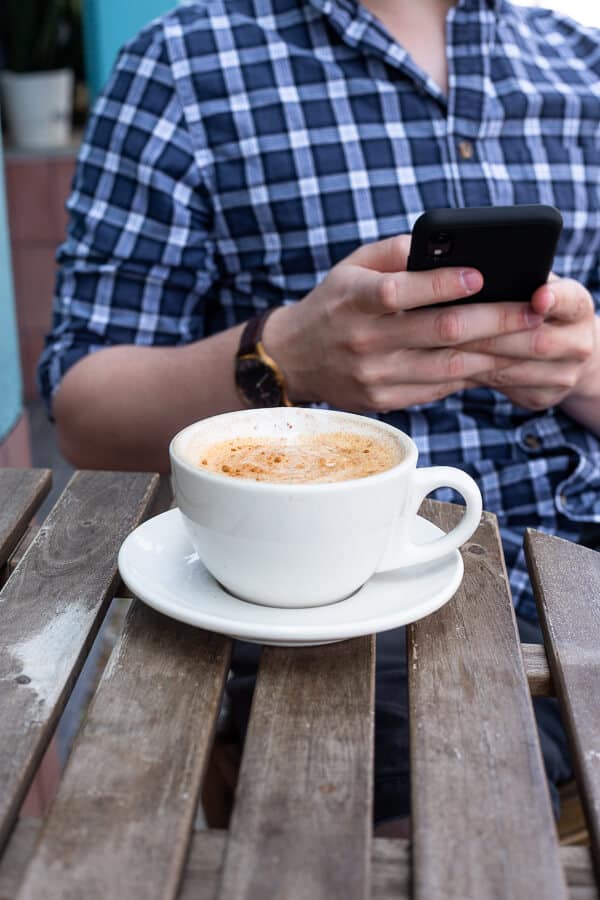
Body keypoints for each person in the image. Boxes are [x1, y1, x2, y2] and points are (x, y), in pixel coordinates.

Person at [39, 0, 600, 831]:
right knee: (440, 828)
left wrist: (580, 367)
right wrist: (283, 355)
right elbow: (86, 411)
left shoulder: (580, 65)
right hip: (337, 594)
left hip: (579, 564)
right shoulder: (186, 64)